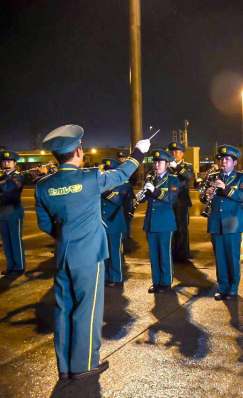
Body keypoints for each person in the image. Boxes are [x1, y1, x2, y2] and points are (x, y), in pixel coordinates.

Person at [35, 124, 149, 379]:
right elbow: (121, 174)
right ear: (77, 151)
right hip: (88, 256)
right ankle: (84, 364)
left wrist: (65, 235)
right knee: (87, 310)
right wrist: (139, 154)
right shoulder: (88, 177)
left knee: (63, 309)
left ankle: (64, 366)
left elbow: (45, 223)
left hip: (63, 254)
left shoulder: (43, 186)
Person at [201, 145, 243, 300]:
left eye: (228, 159)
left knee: (232, 258)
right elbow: (203, 197)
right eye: (222, 159)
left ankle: (233, 288)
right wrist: (206, 195)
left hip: (232, 224)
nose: (223, 162)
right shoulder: (212, 176)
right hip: (216, 222)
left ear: (234, 162)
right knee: (220, 258)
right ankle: (222, 287)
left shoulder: (242, 177)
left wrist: (226, 188)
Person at [138, 149, 180, 293]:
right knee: (154, 255)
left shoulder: (173, 179)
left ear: (167, 164)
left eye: (160, 162)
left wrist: (154, 190)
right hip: (151, 221)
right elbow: (146, 198)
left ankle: (166, 282)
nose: (156, 165)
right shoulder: (151, 178)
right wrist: (140, 196)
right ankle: (156, 282)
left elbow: (170, 198)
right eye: (155, 162)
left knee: (164, 253)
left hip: (165, 222)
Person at [0, 150, 26, 275]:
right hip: (2, 212)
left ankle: (19, 266)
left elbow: (6, 189)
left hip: (14, 211)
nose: (6, 163)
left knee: (15, 240)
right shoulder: (1, 177)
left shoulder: (18, 176)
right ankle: (10, 266)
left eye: (9, 161)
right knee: (6, 241)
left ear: (14, 163)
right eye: (4, 161)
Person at [100, 158, 130, 287]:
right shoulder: (101, 185)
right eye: (106, 171)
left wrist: (105, 191)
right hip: (102, 224)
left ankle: (116, 278)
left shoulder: (124, 185)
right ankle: (105, 277)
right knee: (104, 253)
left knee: (115, 252)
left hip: (116, 224)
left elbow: (118, 200)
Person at [167, 141, 194, 262]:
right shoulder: (166, 166)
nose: (174, 153)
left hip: (181, 201)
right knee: (170, 228)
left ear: (182, 154)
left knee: (182, 228)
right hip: (168, 200)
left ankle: (183, 254)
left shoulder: (187, 165)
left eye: (177, 152)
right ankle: (172, 252)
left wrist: (176, 166)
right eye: (172, 152)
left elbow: (187, 176)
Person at [117, 150, 136, 239]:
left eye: (123, 158)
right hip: (118, 194)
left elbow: (134, 180)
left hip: (128, 194)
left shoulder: (131, 167)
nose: (121, 160)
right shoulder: (115, 168)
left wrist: (127, 182)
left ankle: (128, 232)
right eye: (120, 158)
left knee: (128, 213)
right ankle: (122, 231)